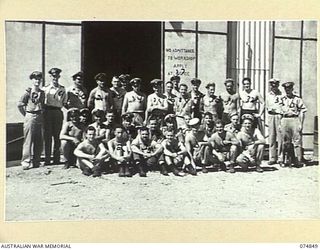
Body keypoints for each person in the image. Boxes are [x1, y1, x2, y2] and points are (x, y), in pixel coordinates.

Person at [17, 71, 45, 170]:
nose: (37, 80)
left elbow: (42, 104)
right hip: (30, 115)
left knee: (39, 140)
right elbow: (20, 105)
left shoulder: (42, 92)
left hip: (39, 116)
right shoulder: (28, 92)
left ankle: (36, 161)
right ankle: (26, 161)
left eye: (39, 78)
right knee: (28, 140)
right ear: (32, 80)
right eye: (35, 78)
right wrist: (26, 114)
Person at [280, 81, 307, 168]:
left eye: (289, 89)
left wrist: (301, 123)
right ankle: (283, 160)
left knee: (297, 140)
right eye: (286, 89)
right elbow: (278, 112)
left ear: (292, 89)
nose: (288, 91)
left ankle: (298, 160)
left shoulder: (297, 99)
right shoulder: (282, 99)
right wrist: (280, 123)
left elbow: (302, 111)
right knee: (284, 141)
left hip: (294, 119)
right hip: (285, 119)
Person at [43, 68, 67, 165]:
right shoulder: (45, 89)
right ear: (50, 77)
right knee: (48, 136)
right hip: (48, 112)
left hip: (57, 112)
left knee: (57, 136)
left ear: (59, 76)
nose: (55, 78)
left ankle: (56, 159)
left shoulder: (62, 89)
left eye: (57, 76)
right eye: (53, 76)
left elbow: (64, 102)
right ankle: (47, 159)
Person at [266, 78, 283, 165]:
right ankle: (272, 157)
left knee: (280, 137)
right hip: (271, 116)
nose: (274, 87)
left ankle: (280, 158)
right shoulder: (268, 95)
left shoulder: (282, 95)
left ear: (278, 85)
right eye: (272, 85)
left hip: (279, 116)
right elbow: (267, 106)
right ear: (270, 86)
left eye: (275, 85)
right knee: (271, 137)